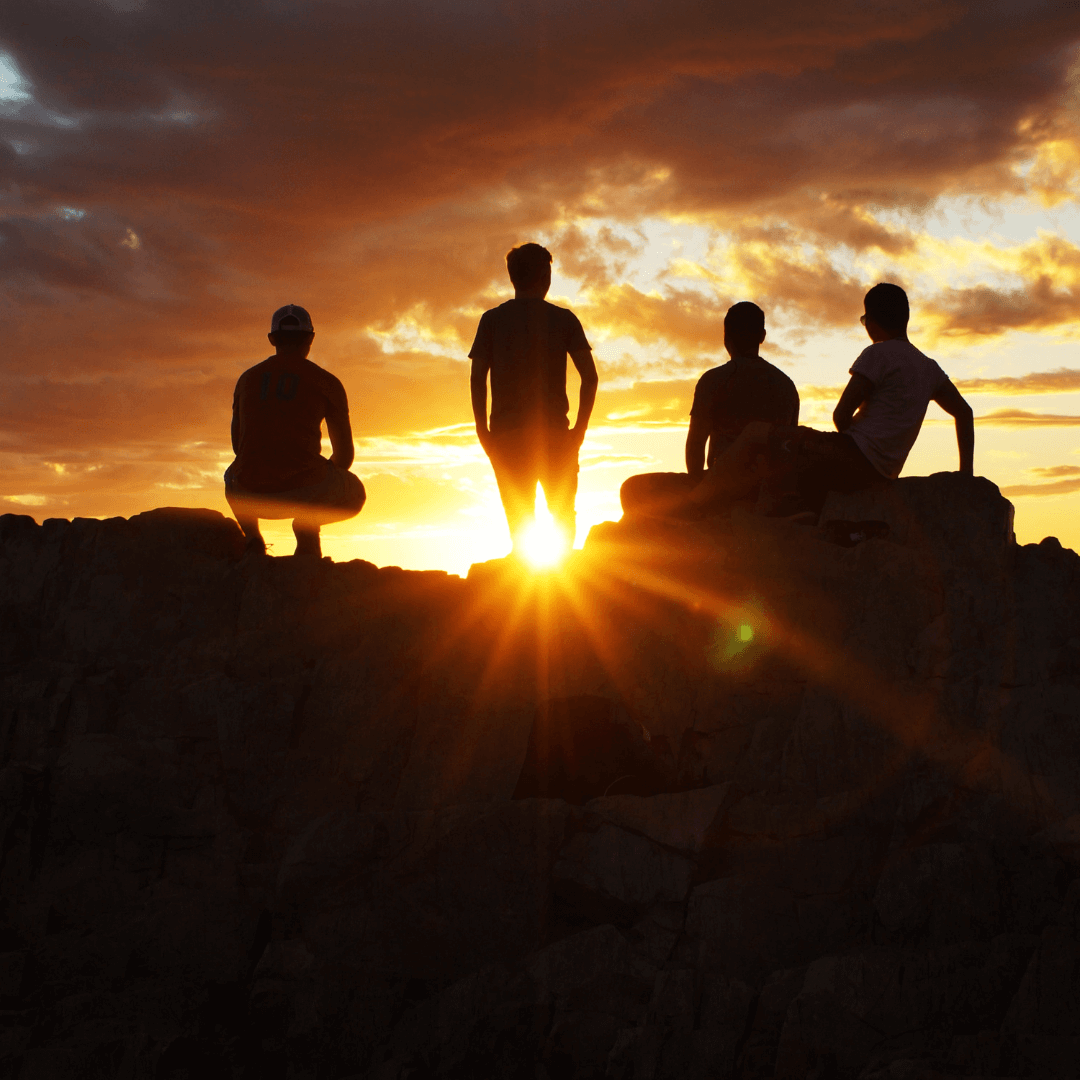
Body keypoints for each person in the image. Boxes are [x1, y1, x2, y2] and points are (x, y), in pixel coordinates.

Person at [689, 283, 974, 513]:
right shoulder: (929, 368)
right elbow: (964, 413)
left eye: (865, 320)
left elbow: (841, 415)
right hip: (885, 472)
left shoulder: (878, 354)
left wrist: (846, 449)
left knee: (756, 433)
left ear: (871, 322)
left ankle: (694, 503)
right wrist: (967, 476)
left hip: (851, 455)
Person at [469, 243, 598, 553]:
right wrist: (579, 430)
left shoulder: (491, 320)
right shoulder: (564, 319)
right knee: (563, 518)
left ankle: (523, 591)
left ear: (513, 277)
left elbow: (477, 379)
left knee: (519, 520)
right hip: (554, 434)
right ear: (545, 276)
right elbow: (590, 378)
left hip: (506, 434)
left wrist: (482, 429)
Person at [620, 301, 799, 517]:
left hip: (720, 488)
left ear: (726, 338)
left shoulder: (714, 380)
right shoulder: (787, 386)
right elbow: (790, 449)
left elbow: (695, 446)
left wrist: (699, 494)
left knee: (632, 488)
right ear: (762, 336)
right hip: (766, 490)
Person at [225, 304, 366, 557]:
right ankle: (306, 529)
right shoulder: (327, 382)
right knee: (354, 491)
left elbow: (238, 446)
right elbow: (344, 457)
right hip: (306, 492)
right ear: (310, 338)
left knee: (231, 474)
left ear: (272, 339)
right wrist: (320, 472)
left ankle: (254, 541)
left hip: (250, 494)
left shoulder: (247, 379)